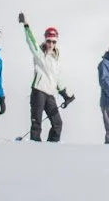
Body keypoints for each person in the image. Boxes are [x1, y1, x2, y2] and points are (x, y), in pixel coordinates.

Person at [20, 13, 74, 142]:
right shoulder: (39, 53)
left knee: (57, 124)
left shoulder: (56, 59)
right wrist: (26, 25)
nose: (50, 44)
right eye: (48, 41)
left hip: (50, 94)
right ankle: (35, 150)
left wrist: (65, 95)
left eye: (53, 41)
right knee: (36, 125)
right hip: (38, 91)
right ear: (45, 40)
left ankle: (51, 150)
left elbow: (57, 79)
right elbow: (31, 42)